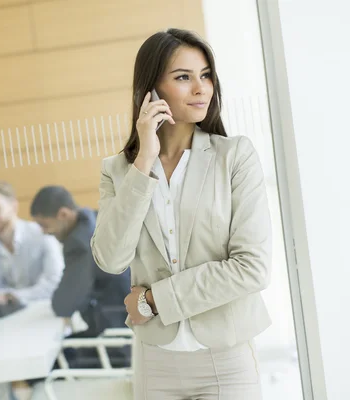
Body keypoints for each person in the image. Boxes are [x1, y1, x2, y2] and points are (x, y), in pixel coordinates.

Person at [90, 28, 272, 399]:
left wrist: (154, 300)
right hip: (154, 366)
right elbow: (111, 259)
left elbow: (252, 266)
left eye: (205, 75)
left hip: (226, 363)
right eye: (183, 77)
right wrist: (143, 161)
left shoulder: (234, 157)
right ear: (151, 91)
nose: (201, 88)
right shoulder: (119, 171)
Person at [31, 186, 131, 367]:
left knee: (40, 366)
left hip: (116, 344)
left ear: (63, 214)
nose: (44, 232)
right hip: (128, 331)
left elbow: (63, 305)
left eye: (45, 225)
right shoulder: (96, 221)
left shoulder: (80, 243)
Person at [0, 181, 64, 306]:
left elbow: (54, 284)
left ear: (14, 207)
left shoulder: (43, 235)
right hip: (0, 320)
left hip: (40, 314)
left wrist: (11, 296)